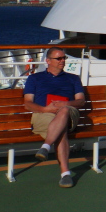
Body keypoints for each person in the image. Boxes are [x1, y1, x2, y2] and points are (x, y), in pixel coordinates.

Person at [23, 47, 86, 188]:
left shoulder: (73, 78)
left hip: (70, 113)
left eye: (64, 58)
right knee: (61, 130)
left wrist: (66, 104)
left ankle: (45, 146)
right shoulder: (34, 78)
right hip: (43, 114)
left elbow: (81, 101)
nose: (63, 61)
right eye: (59, 58)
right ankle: (65, 174)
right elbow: (28, 104)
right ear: (48, 61)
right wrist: (45, 109)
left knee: (63, 112)